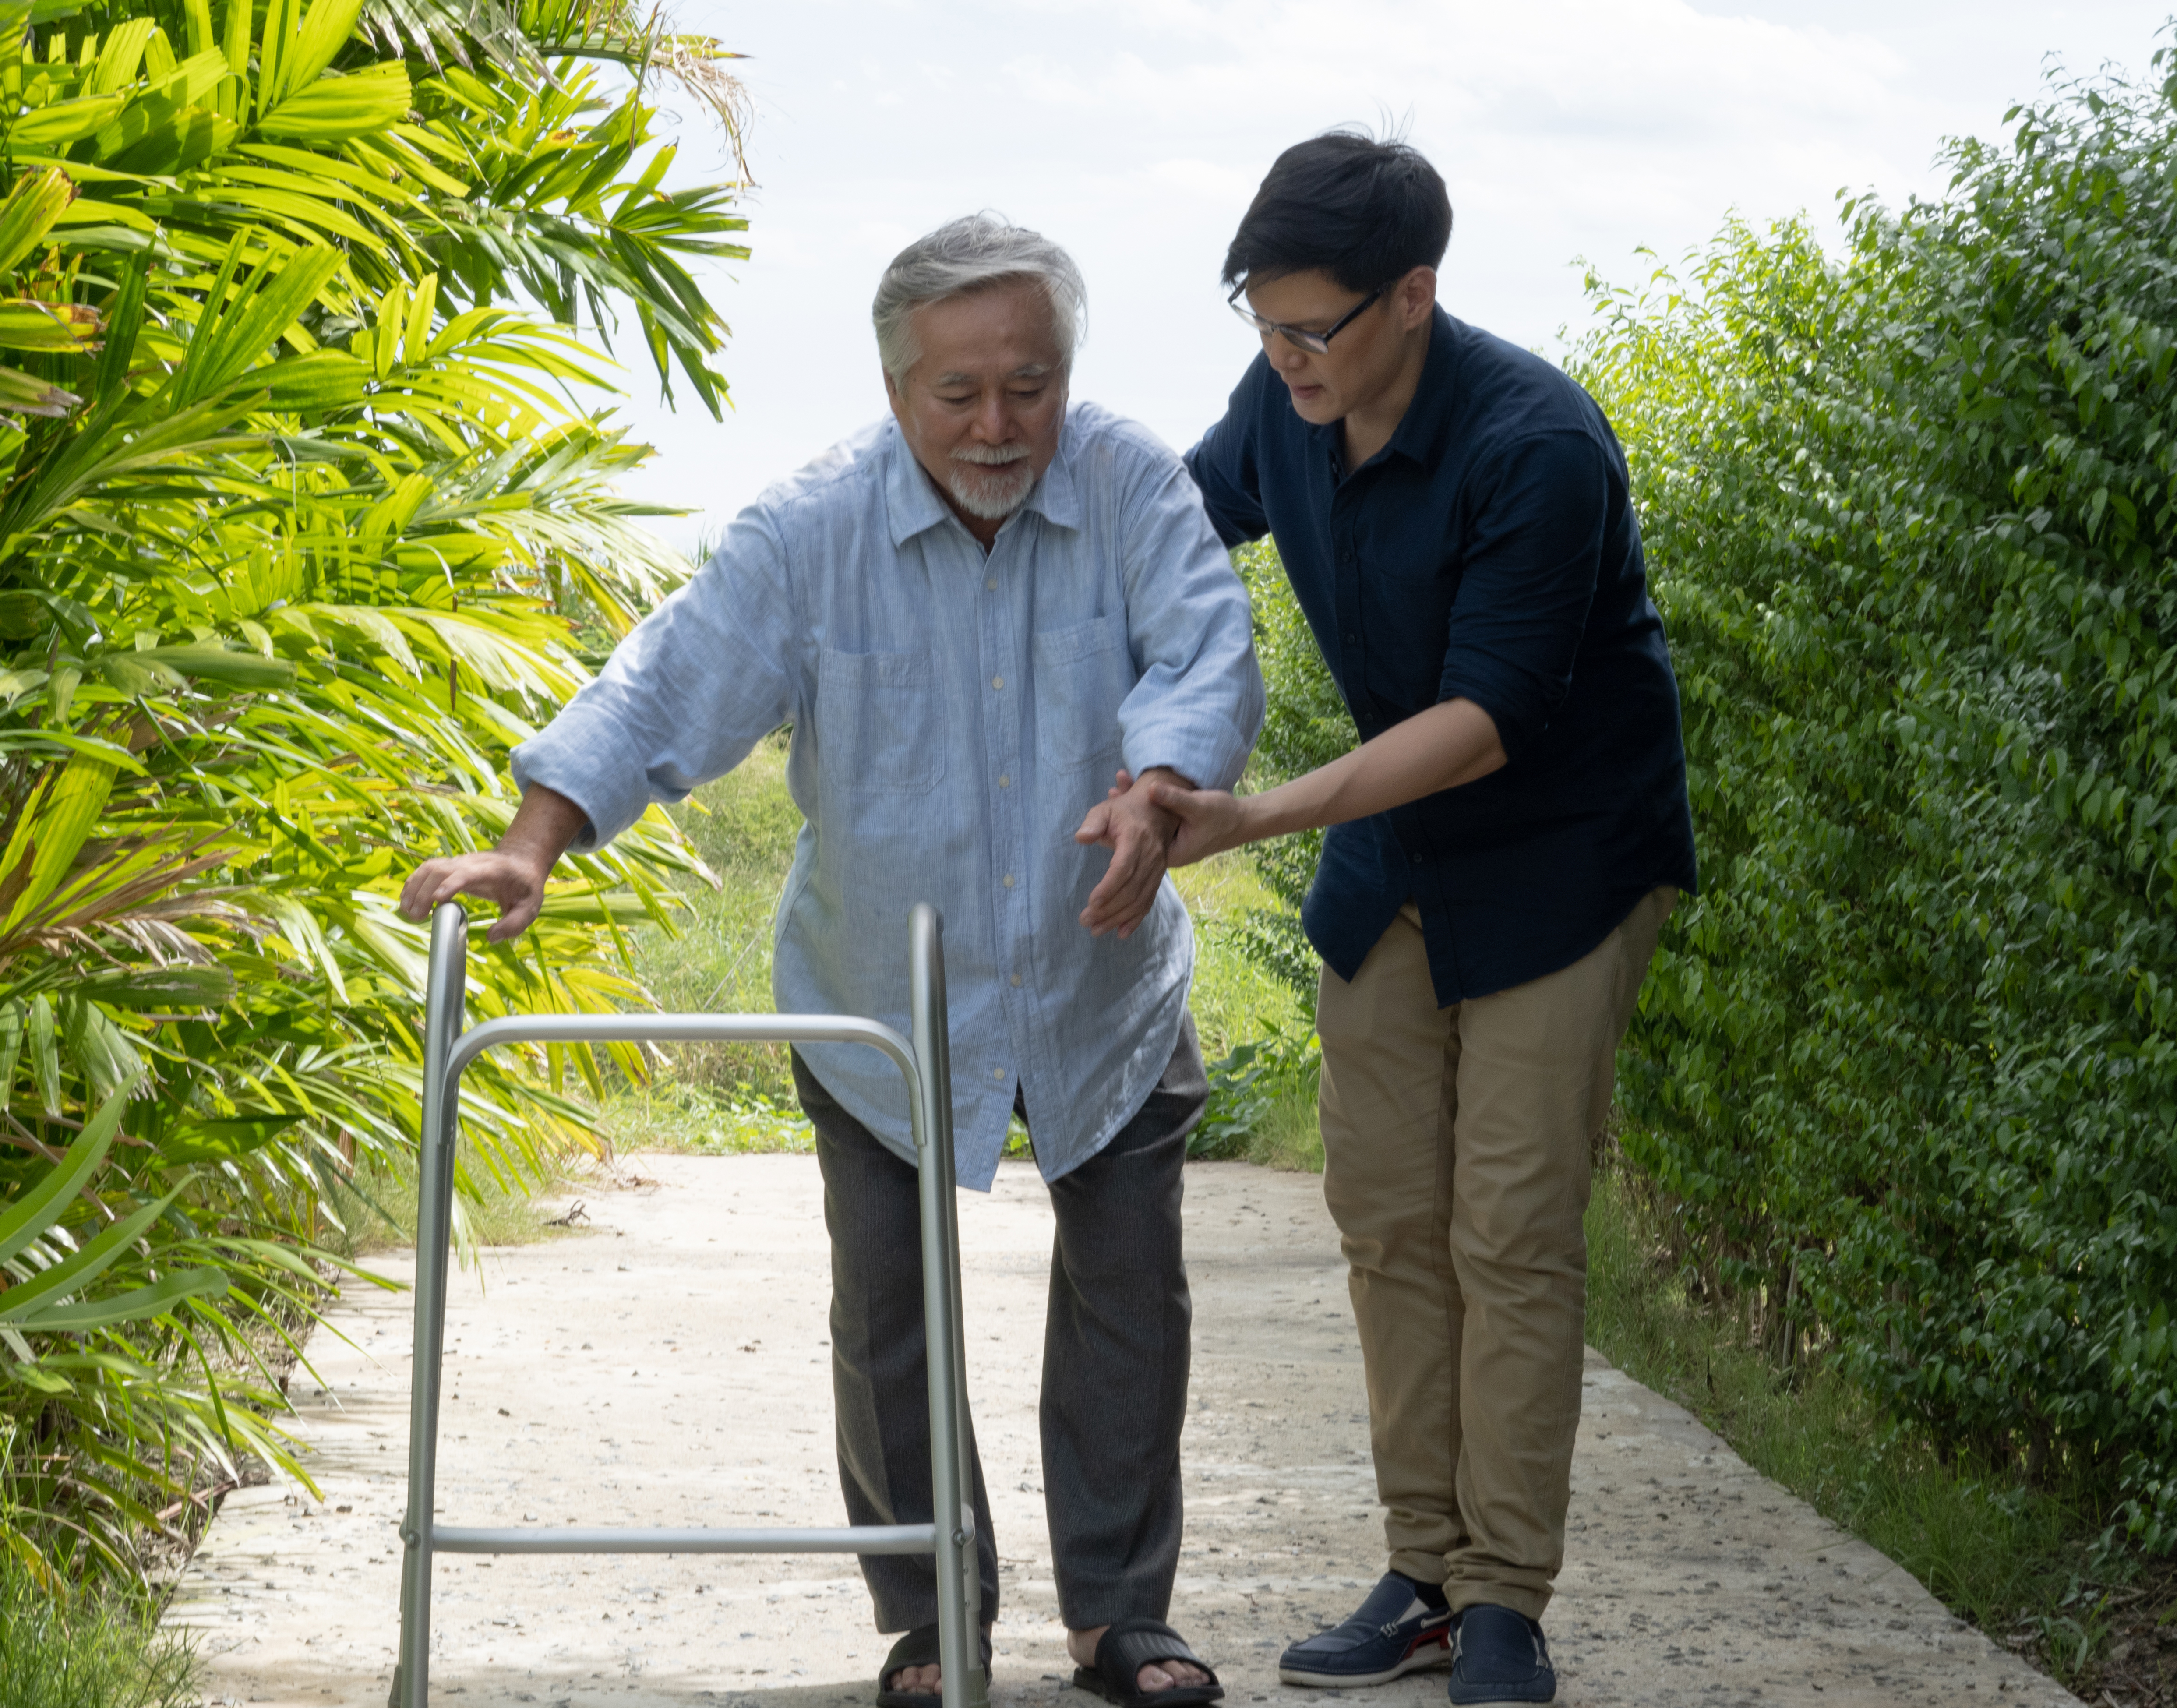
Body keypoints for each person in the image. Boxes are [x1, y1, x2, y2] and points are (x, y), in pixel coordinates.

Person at [398, 214, 1262, 1708]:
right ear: (894, 388)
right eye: (961, 394)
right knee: (886, 1309)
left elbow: (1206, 652)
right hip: (878, 986)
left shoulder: (1130, 483)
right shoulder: (810, 531)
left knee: (1131, 1293)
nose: (1001, 426)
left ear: (1068, 374)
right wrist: (532, 843)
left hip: (1102, 981)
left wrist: (1161, 783)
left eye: (1031, 386)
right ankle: (936, 1616)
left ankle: (1120, 1616)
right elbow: (669, 677)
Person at [1134, 134, 1696, 1705]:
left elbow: (1489, 717)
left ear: (1414, 297)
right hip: (1393, 863)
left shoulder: (1538, 443)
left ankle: (1506, 1596)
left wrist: (1247, 813)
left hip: (1560, 859)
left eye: (1316, 327)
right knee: (1388, 1219)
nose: (1286, 358)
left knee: (1510, 1230)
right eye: (1263, 325)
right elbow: (1171, 540)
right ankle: (1424, 1572)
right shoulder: (1281, 405)